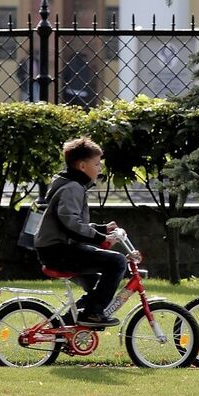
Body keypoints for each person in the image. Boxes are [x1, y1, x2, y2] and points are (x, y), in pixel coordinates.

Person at [34, 137, 127, 327]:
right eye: (96, 163)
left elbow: (71, 223)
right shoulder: (73, 188)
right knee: (117, 261)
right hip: (58, 251)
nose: (100, 168)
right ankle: (92, 314)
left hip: (58, 248)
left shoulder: (72, 185)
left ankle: (68, 324)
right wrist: (102, 239)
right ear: (83, 166)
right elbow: (71, 224)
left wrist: (101, 229)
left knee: (97, 285)